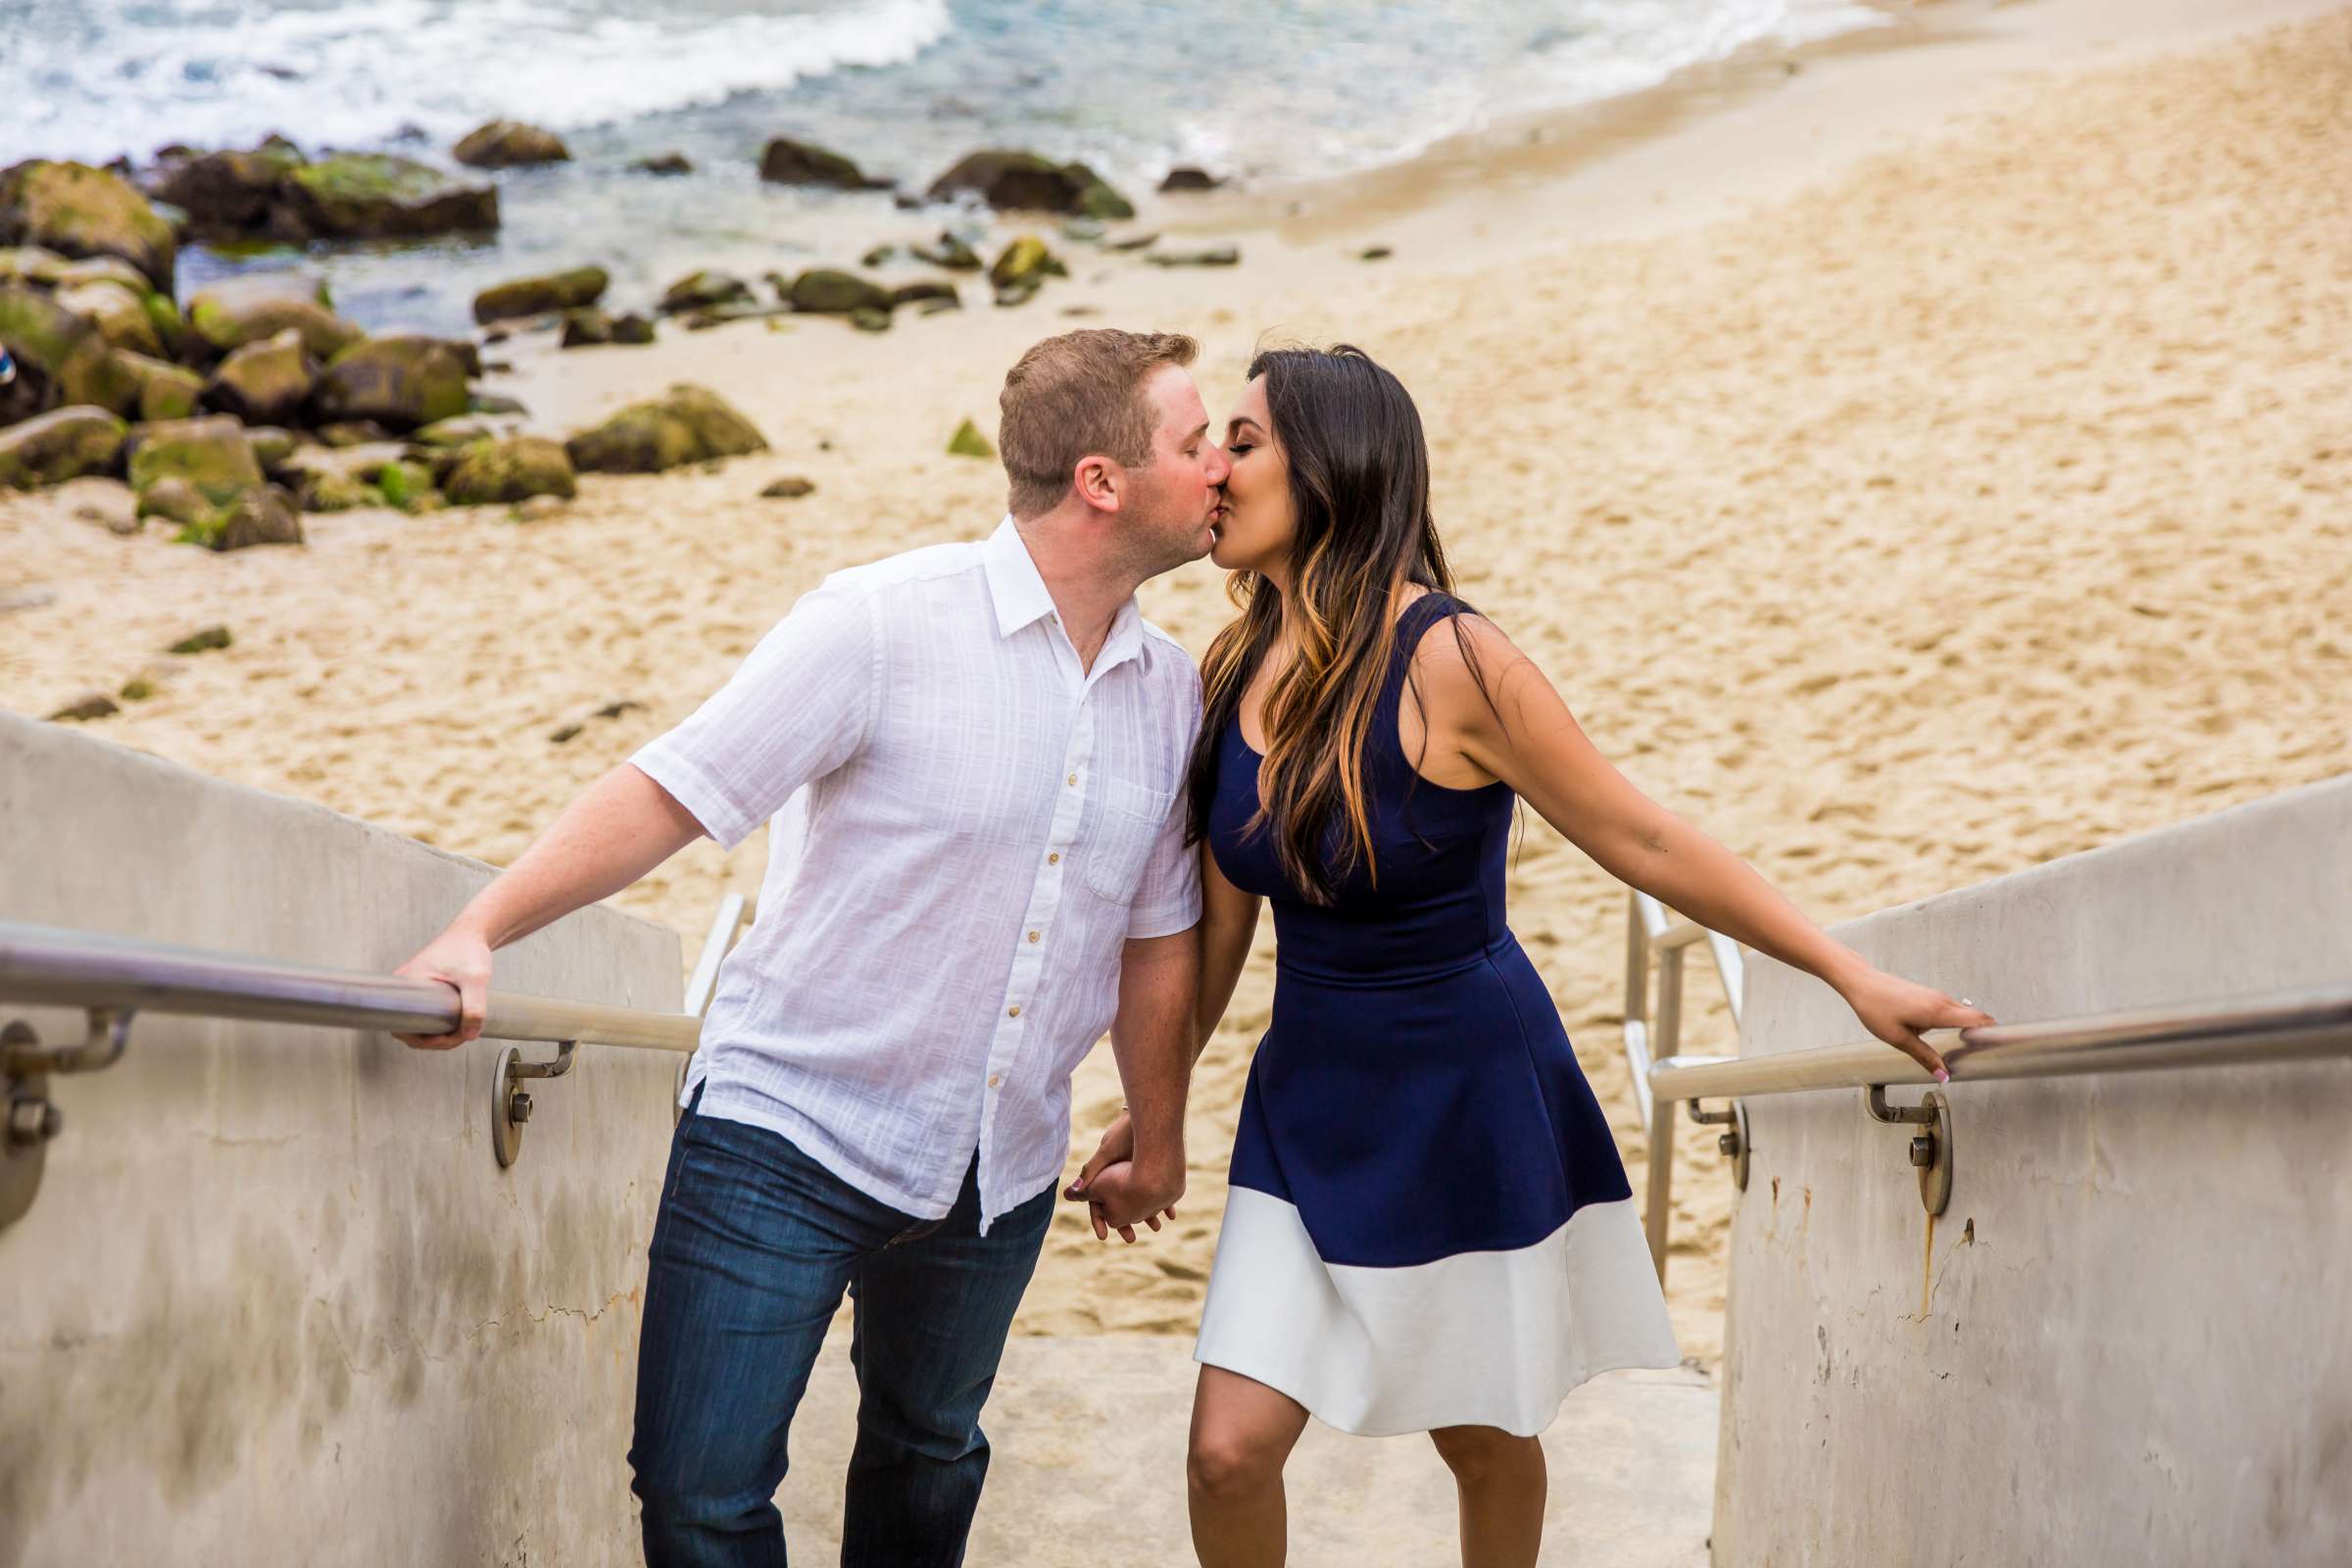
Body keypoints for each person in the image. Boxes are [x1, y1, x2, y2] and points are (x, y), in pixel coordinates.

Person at [1067, 344, 1995, 1568]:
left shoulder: (1452, 659)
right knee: (1227, 1453)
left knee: (1485, 1437)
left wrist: (1846, 971)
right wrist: (1159, 1105)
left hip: (1467, 1096)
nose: (1215, 472)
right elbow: (1222, 930)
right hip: (1309, 1104)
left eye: (1243, 443)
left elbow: (1640, 833)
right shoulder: (1232, 665)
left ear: (1335, 470)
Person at [393, 327, 1225, 1567]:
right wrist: (479, 927)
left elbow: (1158, 940)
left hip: (993, 1171)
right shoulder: (881, 622)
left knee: (931, 1453)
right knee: (699, 1494)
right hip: (785, 1139)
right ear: (1102, 481)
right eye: (1195, 441)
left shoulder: (1173, 692)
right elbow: (678, 787)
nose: (1222, 466)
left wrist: (1158, 1133)